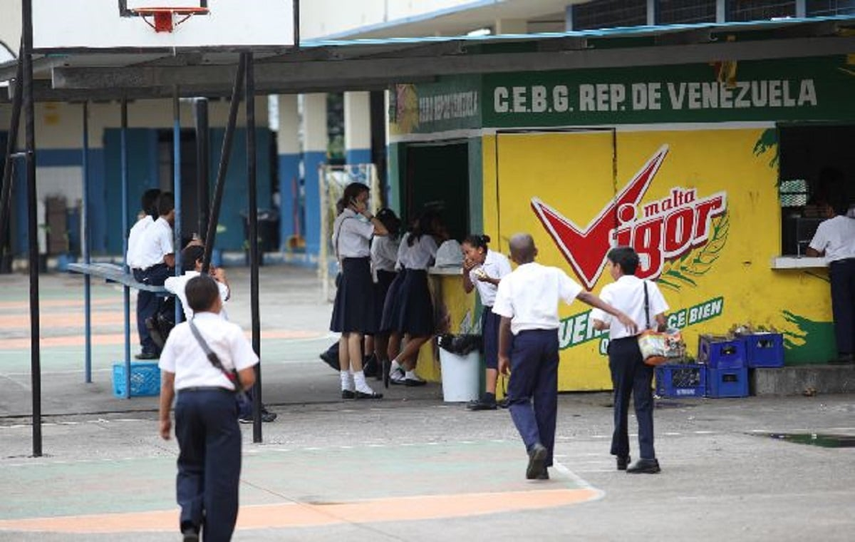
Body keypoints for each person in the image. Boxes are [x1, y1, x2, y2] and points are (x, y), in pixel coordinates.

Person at [494, 233, 636, 480]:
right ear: (536, 251)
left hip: (525, 341)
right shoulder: (553, 273)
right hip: (550, 340)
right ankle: (544, 464)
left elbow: (505, 322)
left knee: (517, 398)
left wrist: (502, 354)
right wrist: (616, 312)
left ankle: (533, 445)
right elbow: (585, 296)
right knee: (546, 401)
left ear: (512, 258)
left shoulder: (509, 281)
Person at [158, 275, 258, 542]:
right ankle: (216, 536)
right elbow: (248, 378)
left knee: (190, 464)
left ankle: (190, 521)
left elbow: (168, 381)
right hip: (218, 402)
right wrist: (229, 394)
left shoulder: (179, 332)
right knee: (222, 474)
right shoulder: (230, 331)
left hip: (186, 403)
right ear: (217, 300)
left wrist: (164, 419)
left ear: (189, 303)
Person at [163, 244, 277, 425]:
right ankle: (248, 410)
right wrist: (222, 278)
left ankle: (251, 408)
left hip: (198, 334)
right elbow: (226, 294)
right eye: (208, 261)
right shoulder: (211, 285)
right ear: (199, 262)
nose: (212, 265)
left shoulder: (179, 283)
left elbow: (167, 283)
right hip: (219, 333)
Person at [591, 246, 668, 474]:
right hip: (645, 346)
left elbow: (597, 323)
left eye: (609, 265)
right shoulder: (649, 286)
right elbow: (662, 320)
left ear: (618, 267)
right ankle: (648, 456)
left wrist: (611, 323)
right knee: (644, 401)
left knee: (621, 400)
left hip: (621, 348)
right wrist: (650, 328)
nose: (608, 270)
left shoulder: (609, 290)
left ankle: (622, 455)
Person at [330, 182, 388, 399]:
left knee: (346, 333)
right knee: (356, 331)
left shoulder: (339, 221)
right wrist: (368, 214)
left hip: (349, 273)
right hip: (357, 273)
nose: (366, 203)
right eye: (364, 199)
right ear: (353, 199)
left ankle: (346, 383)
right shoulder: (352, 221)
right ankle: (360, 383)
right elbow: (383, 231)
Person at [384, 210, 447, 386]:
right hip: (418, 282)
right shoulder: (427, 240)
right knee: (426, 330)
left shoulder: (407, 237)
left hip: (406, 280)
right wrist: (444, 238)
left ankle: (410, 372)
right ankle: (396, 363)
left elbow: (401, 259)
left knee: (412, 329)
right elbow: (439, 258)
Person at [461, 234, 512, 411]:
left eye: (468, 252)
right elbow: (467, 289)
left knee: (508, 351)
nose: (466, 257)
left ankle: (518, 393)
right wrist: (466, 272)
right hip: (490, 310)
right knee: (491, 350)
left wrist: (488, 279)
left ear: (480, 250)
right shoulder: (473, 268)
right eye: (464, 253)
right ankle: (490, 395)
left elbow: (509, 285)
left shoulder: (498, 260)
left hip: (505, 310)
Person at [807, 188, 855, 364]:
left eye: (825, 208)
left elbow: (812, 252)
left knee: (843, 310)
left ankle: (846, 352)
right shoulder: (853, 223)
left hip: (841, 269)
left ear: (830, 209)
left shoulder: (826, 226)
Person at [133, 192, 176, 359]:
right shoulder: (164, 230)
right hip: (153, 272)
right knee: (191, 276)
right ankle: (166, 317)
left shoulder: (154, 225)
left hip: (142, 271)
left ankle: (163, 318)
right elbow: (170, 261)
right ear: (173, 210)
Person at [366, 208, 402, 381]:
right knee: (385, 327)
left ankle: (382, 364)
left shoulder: (380, 238)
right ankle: (384, 364)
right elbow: (399, 258)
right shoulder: (384, 240)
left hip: (381, 280)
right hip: (384, 280)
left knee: (382, 327)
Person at [127, 188, 161, 359]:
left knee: (145, 305)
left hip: (137, 271)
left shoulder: (139, 225)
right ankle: (152, 345)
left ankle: (149, 345)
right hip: (149, 270)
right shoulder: (158, 225)